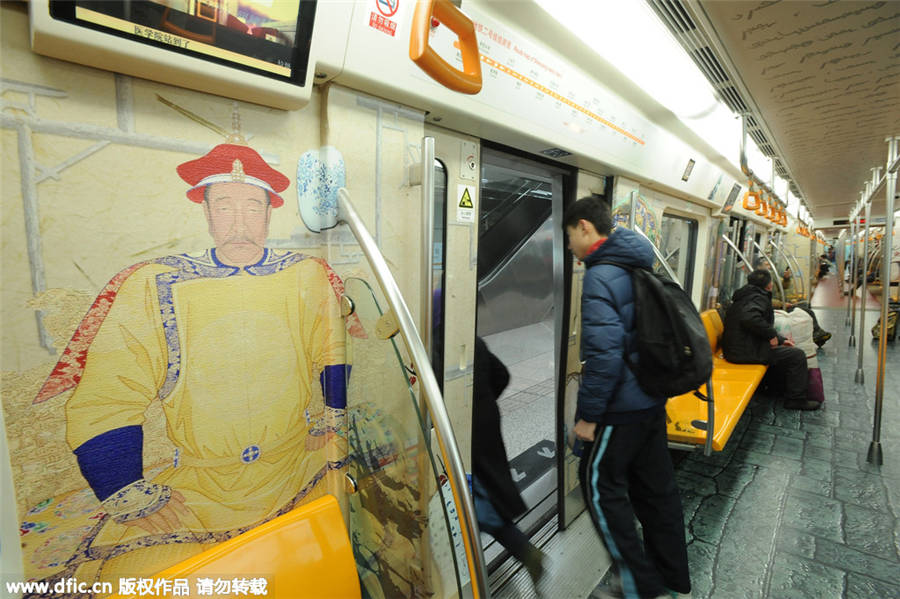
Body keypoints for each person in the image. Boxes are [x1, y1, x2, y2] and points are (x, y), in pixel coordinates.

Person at [32, 141, 355, 584]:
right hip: (203, 483)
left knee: (327, 550)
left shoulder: (305, 273)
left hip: (296, 464)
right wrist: (124, 488)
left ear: (269, 212)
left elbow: (332, 349)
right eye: (223, 207)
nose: (239, 223)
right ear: (205, 212)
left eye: (252, 207)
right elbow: (109, 393)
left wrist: (333, 418)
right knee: (132, 578)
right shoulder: (154, 283)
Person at [564, 196, 691, 599]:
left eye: (569, 236)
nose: (569, 246)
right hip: (651, 400)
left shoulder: (600, 275)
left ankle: (638, 585)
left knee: (598, 486)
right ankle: (672, 578)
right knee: (657, 492)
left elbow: (604, 356)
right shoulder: (637, 263)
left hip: (621, 409)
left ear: (585, 227)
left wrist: (588, 417)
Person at [471, 336, 546, 589]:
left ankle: (524, 551)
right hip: (487, 423)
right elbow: (501, 374)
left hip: (463, 433)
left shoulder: (432, 348)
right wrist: (484, 402)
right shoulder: (472, 340)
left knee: (480, 498)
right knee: (488, 491)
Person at [721, 269, 820, 411]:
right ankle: (795, 400)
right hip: (744, 352)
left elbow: (752, 324)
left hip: (736, 348)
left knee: (783, 351)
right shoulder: (758, 298)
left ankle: (773, 389)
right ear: (769, 285)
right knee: (797, 355)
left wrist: (780, 340)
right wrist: (772, 335)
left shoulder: (746, 295)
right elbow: (749, 318)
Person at [753, 258, 831, 347]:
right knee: (807, 311)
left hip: (781, 302)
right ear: (759, 267)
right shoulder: (757, 280)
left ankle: (816, 333)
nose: (769, 266)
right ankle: (816, 334)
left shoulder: (771, 275)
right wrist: (782, 304)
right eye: (766, 264)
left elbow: (783, 287)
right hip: (775, 306)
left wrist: (786, 279)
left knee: (805, 305)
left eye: (769, 264)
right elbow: (765, 300)